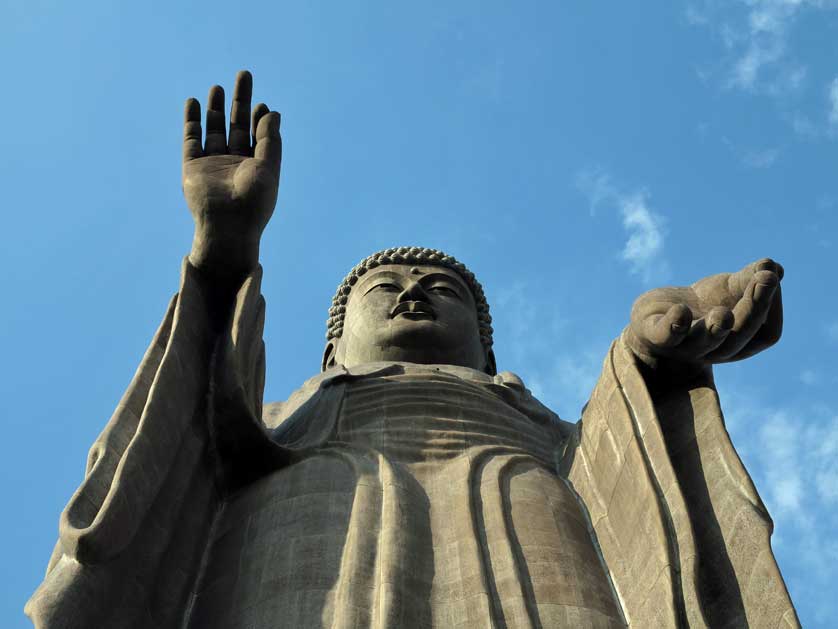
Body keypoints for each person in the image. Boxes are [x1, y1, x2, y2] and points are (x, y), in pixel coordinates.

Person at [27, 71, 798, 628]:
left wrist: (648, 354)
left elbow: (620, 471)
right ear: (333, 349)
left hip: (527, 516)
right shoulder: (283, 414)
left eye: (441, 288)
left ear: (488, 349)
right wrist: (222, 256)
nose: (411, 293)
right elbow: (187, 435)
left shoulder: (534, 420)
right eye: (384, 286)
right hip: (310, 521)